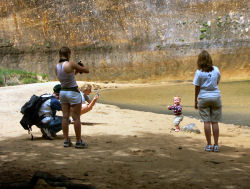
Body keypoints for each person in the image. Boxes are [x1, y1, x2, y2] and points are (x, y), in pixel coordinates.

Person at [55, 46, 89, 148]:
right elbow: (87, 70)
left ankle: (66, 141)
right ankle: (78, 141)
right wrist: (82, 65)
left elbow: (67, 78)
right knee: (76, 118)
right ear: (68, 54)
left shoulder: (56, 66)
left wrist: (75, 73)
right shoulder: (71, 64)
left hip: (63, 93)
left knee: (65, 117)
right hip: (73, 92)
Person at [193, 50, 221, 152]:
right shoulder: (216, 69)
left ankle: (209, 145)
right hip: (216, 97)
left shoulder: (199, 72)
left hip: (203, 97)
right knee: (215, 122)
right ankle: (216, 145)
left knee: (207, 122)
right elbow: (217, 82)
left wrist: (195, 100)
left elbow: (197, 87)